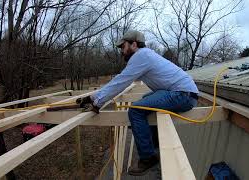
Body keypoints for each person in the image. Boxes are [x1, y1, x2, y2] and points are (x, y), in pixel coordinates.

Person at [79, 30, 199, 176]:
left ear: (134, 44)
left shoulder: (141, 55)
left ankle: (148, 157)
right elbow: (121, 80)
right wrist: (94, 97)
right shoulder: (146, 55)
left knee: (135, 110)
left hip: (182, 94)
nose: (122, 51)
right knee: (145, 99)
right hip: (182, 92)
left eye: (123, 47)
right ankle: (153, 144)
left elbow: (122, 81)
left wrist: (96, 101)